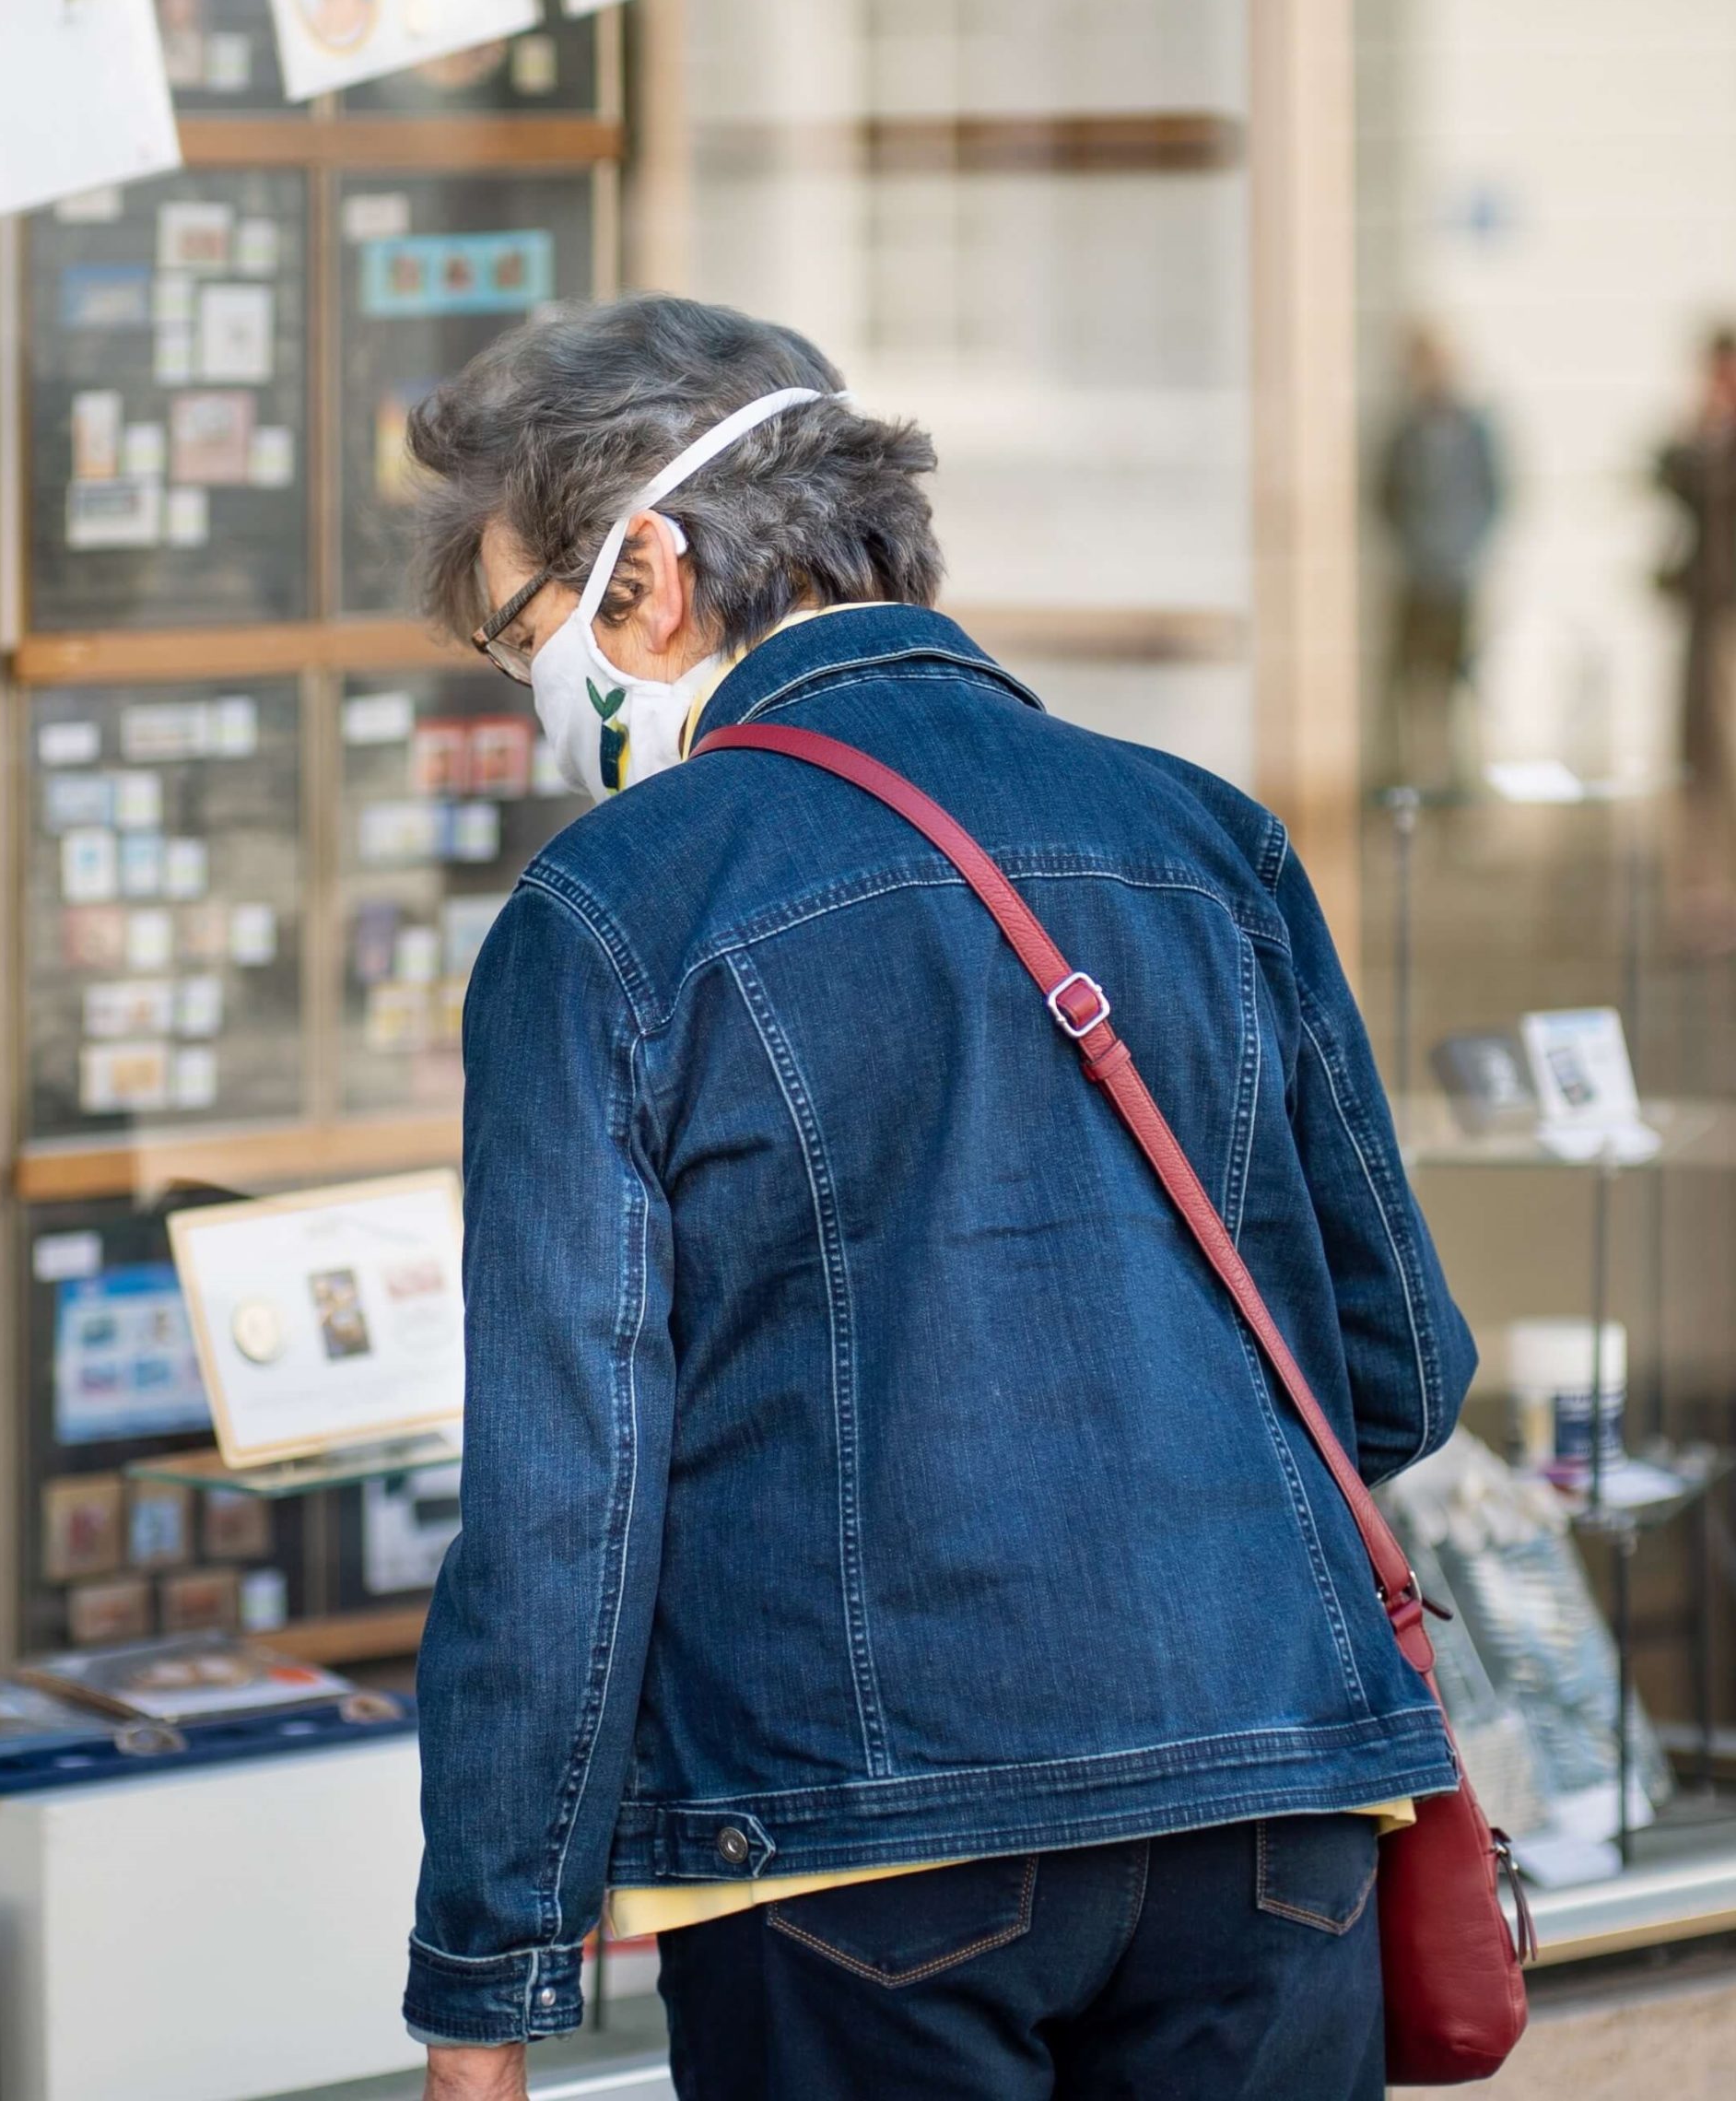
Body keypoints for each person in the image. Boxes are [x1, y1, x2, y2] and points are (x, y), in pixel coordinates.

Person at [400, 297, 1476, 2101]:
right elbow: (1395, 1370)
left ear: (647, 571)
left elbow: (563, 1509)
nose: (533, 688)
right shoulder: (1204, 835)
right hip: (1273, 1802)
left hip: (849, 1845)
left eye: (522, 630)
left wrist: (484, 1979)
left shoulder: (610, 911)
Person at [1376, 323, 1503, 787]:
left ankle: (1462, 778)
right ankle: (1415, 773)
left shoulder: (1476, 430)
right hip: (1416, 578)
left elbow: (1494, 496)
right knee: (1409, 685)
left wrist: (1464, 551)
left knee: (1462, 684)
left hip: (1458, 580)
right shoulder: (1403, 433)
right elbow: (1384, 499)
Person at [1655, 326, 1736, 952]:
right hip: (1707, 613)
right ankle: (1705, 888)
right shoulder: (1703, 441)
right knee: (1701, 754)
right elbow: (1671, 474)